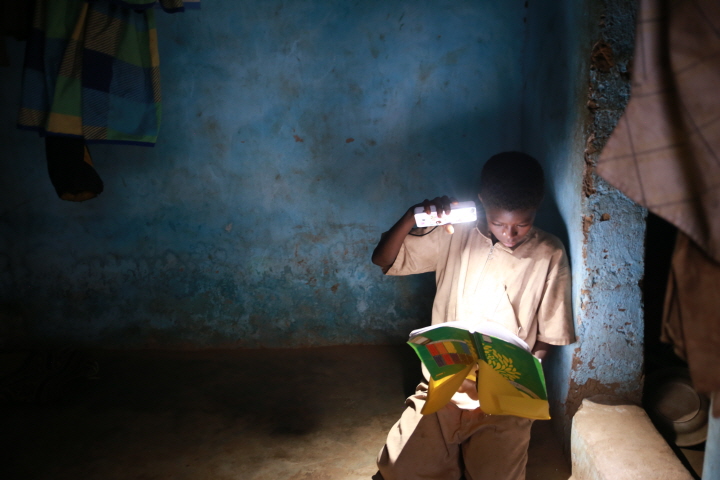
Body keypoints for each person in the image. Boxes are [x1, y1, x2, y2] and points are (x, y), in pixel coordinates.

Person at [371, 151, 575, 480]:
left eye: (522, 224)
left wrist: (524, 380)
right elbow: (383, 259)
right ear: (482, 202)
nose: (509, 235)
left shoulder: (549, 253)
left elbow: (550, 335)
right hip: (444, 386)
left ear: (536, 209)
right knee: (396, 469)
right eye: (498, 223)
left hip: (505, 397)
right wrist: (412, 216)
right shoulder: (454, 233)